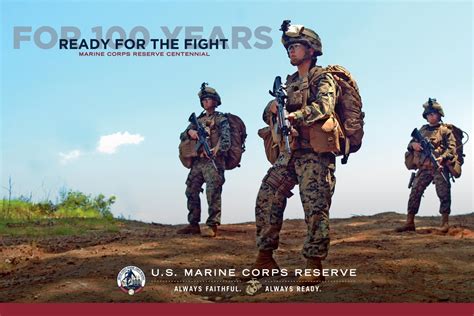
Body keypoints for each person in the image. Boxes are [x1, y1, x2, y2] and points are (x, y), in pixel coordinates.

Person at [251, 21, 341, 285]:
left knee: (315, 207)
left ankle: (314, 264)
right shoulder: (288, 83)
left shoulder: (323, 77)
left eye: (297, 46)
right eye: (289, 47)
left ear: (311, 49)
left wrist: (296, 115)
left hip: (315, 154)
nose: (291, 50)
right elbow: (273, 114)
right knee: (267, 197)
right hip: (288, 153)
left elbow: (324, 107)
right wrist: (273, 111)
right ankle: (265, 259)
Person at [177, 83, 231, 238]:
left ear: (215, 101)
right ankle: (193, 224)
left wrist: (216, 150)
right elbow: (182, 135)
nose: (206, 102)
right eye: (204, 99)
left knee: (213, 192)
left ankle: (212, 225)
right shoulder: (197, 120)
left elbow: (226, 140)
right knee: (191, 190)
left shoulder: (221, 119)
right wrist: (191, 132)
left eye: (209, 99)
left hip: (214, 161)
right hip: (198, 162)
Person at [396, 98, 457, 233]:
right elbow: (410, 143)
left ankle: (445, 223)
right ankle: (410, 222)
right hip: (423, 168)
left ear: (439, 114)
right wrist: (414, 145)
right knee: (415, 192)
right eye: (428, 114)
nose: (430, 116)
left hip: (438, 167)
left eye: (433, 114)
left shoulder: (445, 131)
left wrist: (443, 157)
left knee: (444, 193)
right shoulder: (422, 130)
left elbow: (452, 148)